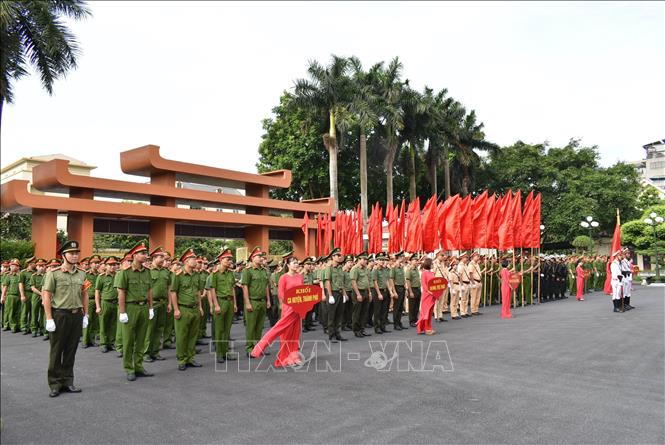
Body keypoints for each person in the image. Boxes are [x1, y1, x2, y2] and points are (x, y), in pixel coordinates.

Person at [41, 240, 89, 397]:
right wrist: (49, 318)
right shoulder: (53, 273)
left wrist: (85, 314)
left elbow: (85, 294)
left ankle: (68, 381)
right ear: (63, 255)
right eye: (71, 253)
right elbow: (46, 296)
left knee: (71, 350)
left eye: (76, 253)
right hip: (60, 315)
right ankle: (55, 383)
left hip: (76, 315)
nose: (75, 256)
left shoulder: (82, 273)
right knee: (56, 350)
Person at [251, 256, 305, 367]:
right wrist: (291, 303)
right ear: (288, 265)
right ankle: (261, 349)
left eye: (297, 262)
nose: (296, 264)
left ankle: (294, 357)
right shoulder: (283, 278)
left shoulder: (300, 277)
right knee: (282, 331)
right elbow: (281, 294)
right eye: (294, 263)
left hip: (298, 308)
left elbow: (302, 292)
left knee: (295, 333)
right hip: (289, 308)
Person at [116, 242, 154, 381]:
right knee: (128, 339)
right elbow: (121, 292)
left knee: (141, 339)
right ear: (135, 255)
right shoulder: (125, 272)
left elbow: (150, 290)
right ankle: (129, 367)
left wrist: (150, 308)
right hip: (130, 307)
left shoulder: (147, 272)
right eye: (143, 253)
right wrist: (122, 312)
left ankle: (138, 366)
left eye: (146, 253)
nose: (146, 256)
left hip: (144, 307)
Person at [171, 248, 204, 370]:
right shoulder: (178, 275)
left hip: (194, 308)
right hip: (183, 309)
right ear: (186, 261)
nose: (195, 261)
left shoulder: (197, 275)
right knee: (181, 336)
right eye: (193, 259)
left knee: (192, 335)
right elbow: (173, 292)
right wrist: (176, 309)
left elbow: (197, 293)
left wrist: (200, 307)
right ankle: (182, 359)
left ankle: (190, 358)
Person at [207, 248, 238, 363]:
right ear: (221, 260)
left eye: (230, 259)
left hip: (229, 302)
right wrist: (215, 305)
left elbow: (232, 288)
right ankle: (219, 354)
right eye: (227, 259)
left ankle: (226, 352)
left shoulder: (230, 273)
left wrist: (234, 303)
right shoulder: (214, 274)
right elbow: (212, 290)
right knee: (219, 330)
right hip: (220, 301)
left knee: (227, 329)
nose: (230, 261)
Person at [241, 247, 271, 356]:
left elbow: (266, 286)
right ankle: (249, 348)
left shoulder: (264, 270)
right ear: (252, 258)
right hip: (252, 301)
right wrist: (247, 302)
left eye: (261, 256)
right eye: (258, 256)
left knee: (260, 326)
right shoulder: (247, 271)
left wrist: (268, 300)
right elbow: (245, 287)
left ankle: (259, 347)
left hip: (262, 301)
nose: (261, 258)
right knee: (251, 326)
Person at [144, 247, 170, 362]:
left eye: (163, 257)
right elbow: (146, 289)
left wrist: (169, 303)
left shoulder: (166, 271)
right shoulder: (147, 271)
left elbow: (169, 288)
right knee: (149, 329)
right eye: (161, 257)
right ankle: (146, 353)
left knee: (159, 328)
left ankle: (155, 351)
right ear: (154, 258)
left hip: (163, 303)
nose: (163, 259)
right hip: (152, 304)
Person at [95, 257, 119, 353]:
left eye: (114, 265)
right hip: (105, 302)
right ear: (106, 266)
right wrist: (98, 306)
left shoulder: (119, 275)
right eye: (110, 265)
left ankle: (111, 343)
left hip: (115, 303)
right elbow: (97, 292)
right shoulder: (101, 277)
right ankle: (104, 344)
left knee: (114, 324)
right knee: (104, 324)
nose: (112, 267)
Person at [323, 248, 348, 342]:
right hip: (333, 293)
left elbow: (342, 282)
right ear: (333, 257)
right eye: (338, 255)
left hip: (340, 293)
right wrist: (330, 295)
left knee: (339, 315)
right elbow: (328, 282)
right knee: (332, 315)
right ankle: (331, 335)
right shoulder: (329, 268)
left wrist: (345, 294)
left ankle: (338, 333)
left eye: (340, 255)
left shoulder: (340, 268)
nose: (339, 257)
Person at [350, 251, 372, 338]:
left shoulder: (366, 269)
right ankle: (356, 330)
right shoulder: (355, 269)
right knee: (357, 312)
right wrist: (358, 294)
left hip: (365, 292)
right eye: (364, 259)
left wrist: (369, 293)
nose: (366, 261)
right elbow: (353, 282)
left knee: (364, 312)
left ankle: (362, 329)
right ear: (359, 259)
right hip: (358, 292)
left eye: (366, 259)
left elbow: (367, 282)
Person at [416, 257, 439, 335]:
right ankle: (426, 328)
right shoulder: (424, 273)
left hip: (432, 295)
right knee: (426, 312)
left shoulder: (432, 273)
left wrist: (436, 294)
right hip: (427, 295)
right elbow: (424, 285)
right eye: (432, 263)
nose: (433, 265)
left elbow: (435, 283)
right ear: (428, 264)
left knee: (430, 313)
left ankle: (428, 327)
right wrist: (430, 292)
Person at [1, 259, 22, 332]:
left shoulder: (20, 276)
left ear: (18, 267)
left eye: (14, 266)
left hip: (18, 296)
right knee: (8, 311)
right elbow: (5, 287)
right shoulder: (8, 276)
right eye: (11, 266)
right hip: (10, 295)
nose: (12, 267)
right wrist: (2, 296)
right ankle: (9, 325)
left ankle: (16, 325)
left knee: (17, 311)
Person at [29, 259, 47, 337]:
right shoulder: (33, 276)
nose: (41, 268)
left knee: (44, 314)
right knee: (34, 313)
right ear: (36, 267)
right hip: (36, 296)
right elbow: (32, 288)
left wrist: (43, 295)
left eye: (43, 266)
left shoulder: (47, 275)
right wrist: (41, 294)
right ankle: (34, 329)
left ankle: (43, 330)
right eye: (39, 266)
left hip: (45, 296)